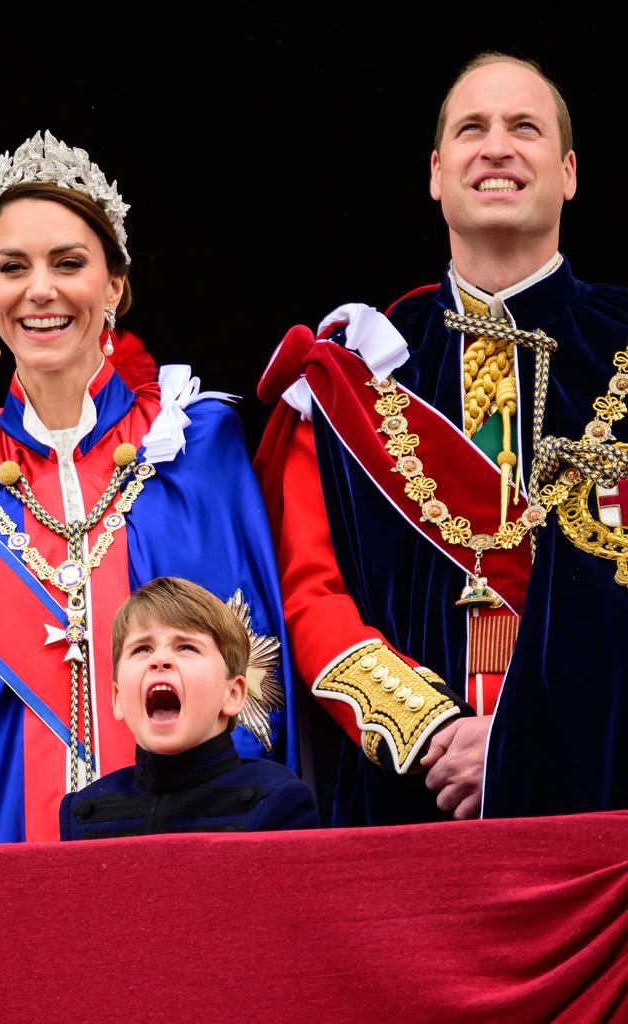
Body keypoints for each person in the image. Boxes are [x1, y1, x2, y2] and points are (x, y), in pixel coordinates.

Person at [0, 131, 298, 847]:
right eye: (13, 268)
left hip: (184, 854)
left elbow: (252, 682)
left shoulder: (195, 445)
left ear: (114, 286)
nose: (41, 290)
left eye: (69, 263)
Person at [256, 54, 627, 825]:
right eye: (472, 129)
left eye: (524, 127)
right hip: (409, 812)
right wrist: (433, 732)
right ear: (435, 172)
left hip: (605, 806)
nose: (497, 147)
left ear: (567, 172)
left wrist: (528, 738)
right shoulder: (351, 375)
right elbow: (308, 597)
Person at [60, 577, 318, 839]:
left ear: (232, 694)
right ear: (117, 699)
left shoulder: (276, 799)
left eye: (186, 647)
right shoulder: (82, 813)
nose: (159, 660)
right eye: (142, 649)